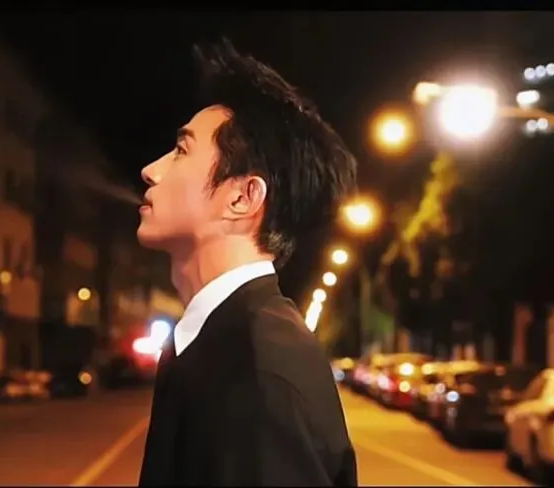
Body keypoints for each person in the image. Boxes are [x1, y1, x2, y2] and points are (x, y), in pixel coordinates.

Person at [136, 38, 358, 487]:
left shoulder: (258, 372)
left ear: (242, 197)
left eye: (181, 151)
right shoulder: (223, 342)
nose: (151, 169)